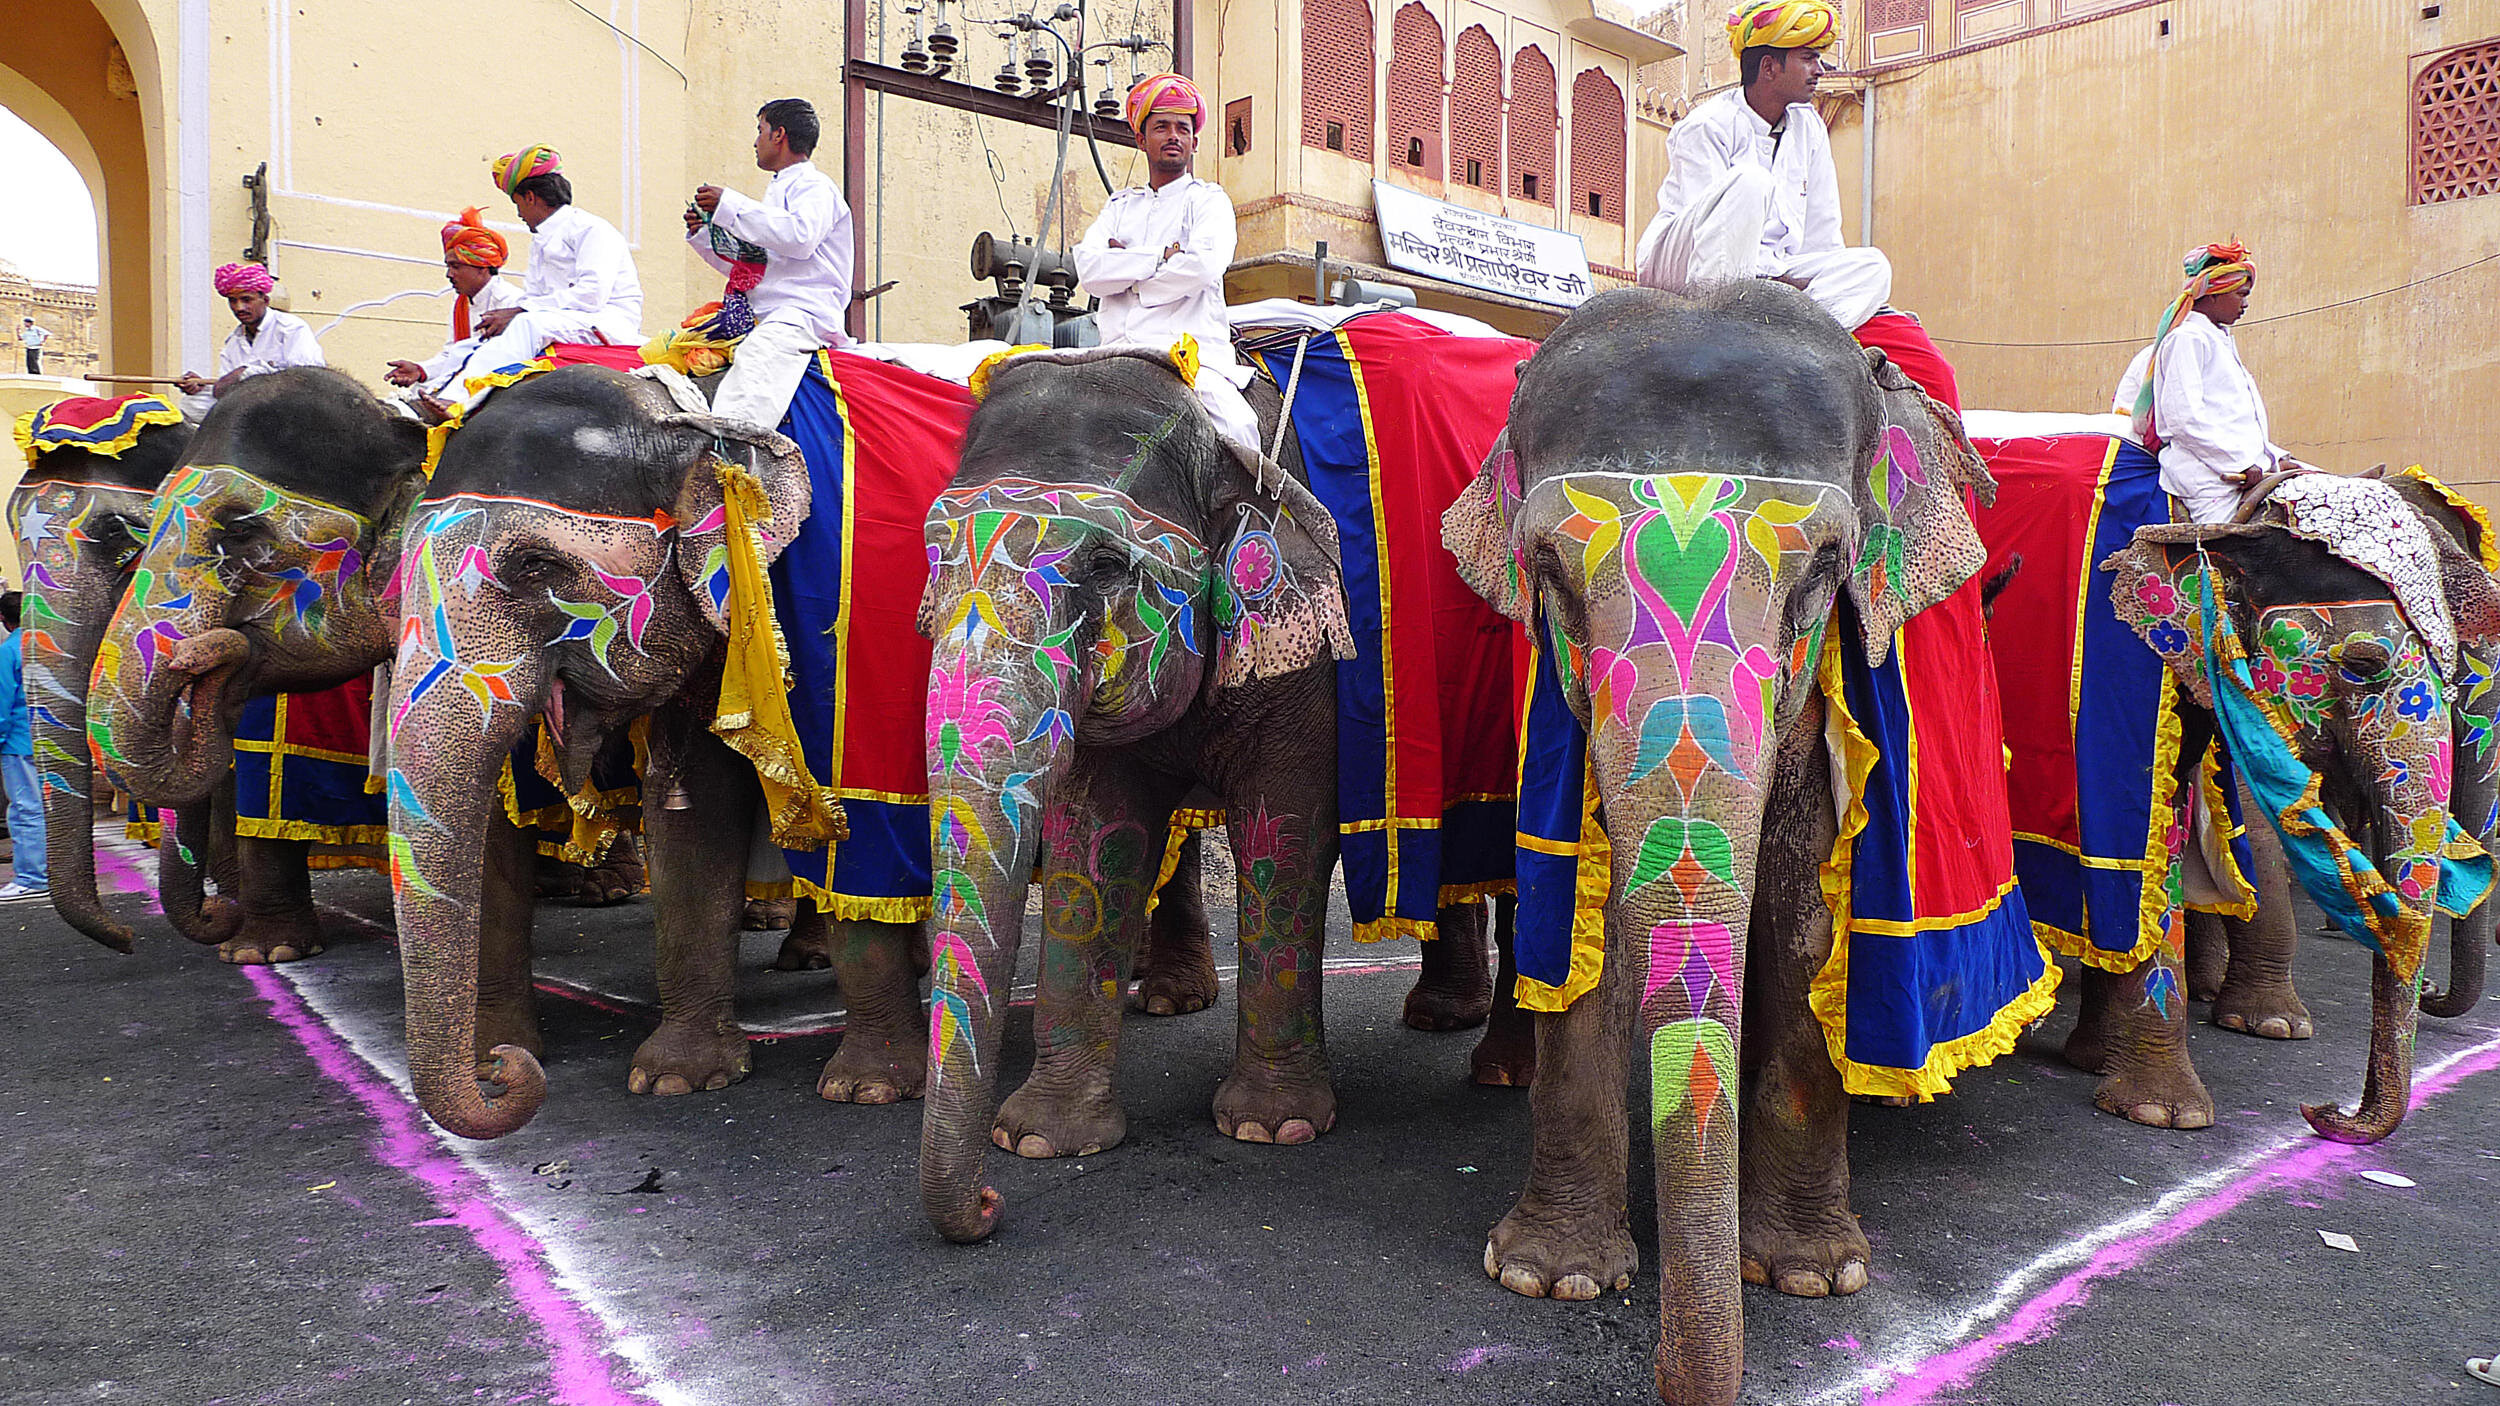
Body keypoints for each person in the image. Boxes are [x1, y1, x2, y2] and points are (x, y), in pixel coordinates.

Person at [1634, 0, 1892, 330]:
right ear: (1769, 68)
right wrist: (1770, 280)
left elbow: (1822, 238)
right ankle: (1719, 326)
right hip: (1684, 266)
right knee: (1751, 182)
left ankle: (1800, 334)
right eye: (1808, 58)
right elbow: (1709, 235)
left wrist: (1818, 281)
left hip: (1773, 273)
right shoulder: (1708, 124)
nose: (1820, 70)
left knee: (1872, 265)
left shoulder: (1809, 127)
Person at [1073, 72, 1260, 452]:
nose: (1173, 135)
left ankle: (1254, 493)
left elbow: (1204, 266)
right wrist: (1160, 255)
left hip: (1190, 364)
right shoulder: (1119, 206)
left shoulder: (1208, 200)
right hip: (1113, 355)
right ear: (1141, 140)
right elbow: (1090, 271)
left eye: (1182, 128)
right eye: (1161, 127)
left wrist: (1127, 275)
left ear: (1194, 143)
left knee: (1239, 427)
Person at [425, 146, 644, 417]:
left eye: (517, 204)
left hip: (607, 321)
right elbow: (534, 297)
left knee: (526, 324)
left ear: (530, 197)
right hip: (563, 321)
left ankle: (459, 402)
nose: (519, 214)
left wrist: (519, 311)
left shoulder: (591, 229)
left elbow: (591, 295)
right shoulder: (540, 241)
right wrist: (509, 317)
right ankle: (434, 394)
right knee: (474, 342)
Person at [684, 97, 855, 432]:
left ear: (779, 134)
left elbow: (801, 237)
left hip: (801, 313)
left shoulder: (815, 186)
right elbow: (754, 267)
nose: (755, 141)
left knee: (757, 361)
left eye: (760, 130)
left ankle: (733, 447)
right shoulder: (778, 191)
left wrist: (730, 205)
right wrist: (705, 232)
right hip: (762, 313)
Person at [2133, 242, 2296, 524]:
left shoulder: (2217, 339)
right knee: (2238, 546)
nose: (2245, 304)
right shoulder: (2187, 338)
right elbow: (2184, 419)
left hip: (2243, 470)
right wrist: (2239, 463)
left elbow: (2231, 418)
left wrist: (2274, 456)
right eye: (2241, 294)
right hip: (2211, 481)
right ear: (2213, 294)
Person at [386, 208, 524, 397]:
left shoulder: (512, 302)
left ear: (482, 267)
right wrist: (420, 370)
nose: (449, 274)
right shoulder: (461, 302)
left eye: (456, 266)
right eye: (448, 266)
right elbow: (452, 355)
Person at [175, 263, 326, 420]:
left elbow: (306, 376)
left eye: (246, 300)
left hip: (287, 404)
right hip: (249, 404)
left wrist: (245, 372)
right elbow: (226, 387)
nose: (239, 308)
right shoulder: (234, 341)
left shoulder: (291, 327)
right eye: (233, 301)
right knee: (191, 404)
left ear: (265, 300)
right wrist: (204, 387)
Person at [0, 592, 45, 900]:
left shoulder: (8, 651)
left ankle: (32, 876)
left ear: (4, 619)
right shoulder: (47, 646)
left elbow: (2, 702)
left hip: (18, 741)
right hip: (50, 740)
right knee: (46, 808)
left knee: (24, 809)